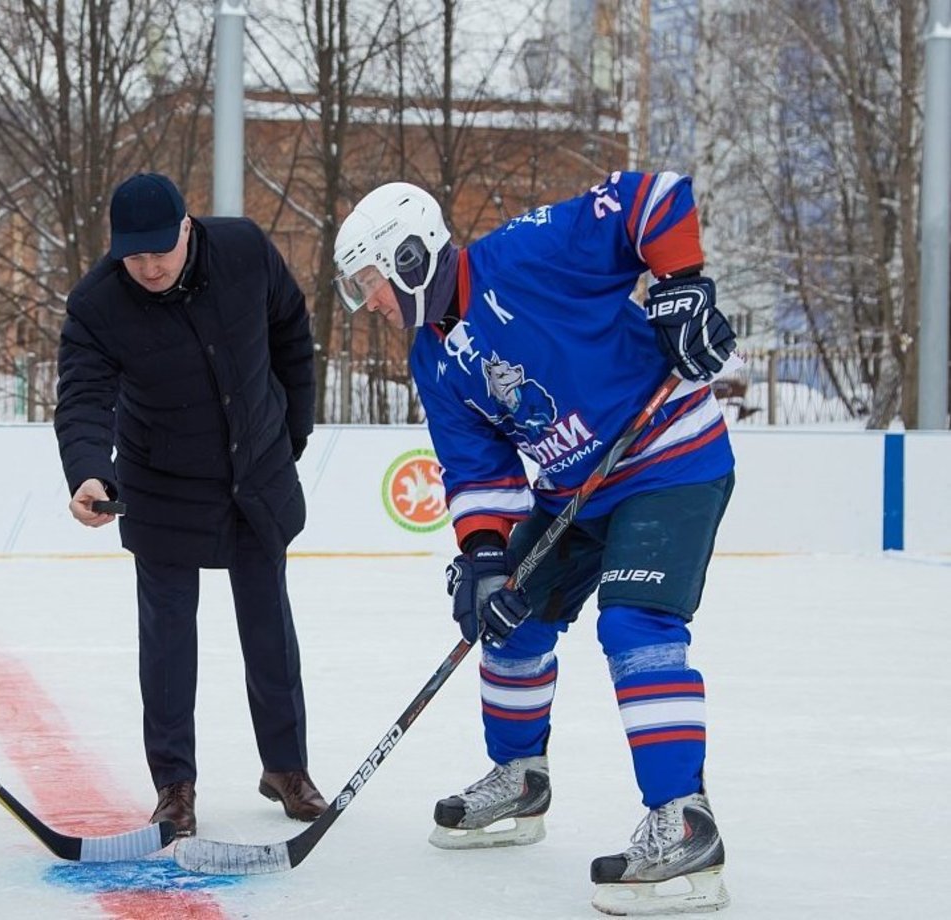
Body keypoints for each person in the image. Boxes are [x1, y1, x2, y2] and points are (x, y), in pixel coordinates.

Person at [331, 173, 736, 915]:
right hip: (571, 495)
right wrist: (485, 559)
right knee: (509, 616)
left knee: (634, 623)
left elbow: (654, 198)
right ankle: (520, 779)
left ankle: (685, 819)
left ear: (411, 259)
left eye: (372, 283)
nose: (372, 303)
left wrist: (681, 287)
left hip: (668, 458)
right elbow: (475, 465)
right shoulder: (431, 356)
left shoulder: (526, 253)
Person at [54, 172, 323, 837]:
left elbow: (291, 329)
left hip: (256, 472)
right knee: (168, 641)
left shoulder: (244, 250)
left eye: (158, 251)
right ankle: (175, 785)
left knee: (270, 627)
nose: (146, 266)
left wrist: (292, 432)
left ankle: (286, 767)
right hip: (161, 483)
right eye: (131, 254)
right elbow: (84, 399)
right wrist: (89, 474)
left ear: (186, 229)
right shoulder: (98, 304)